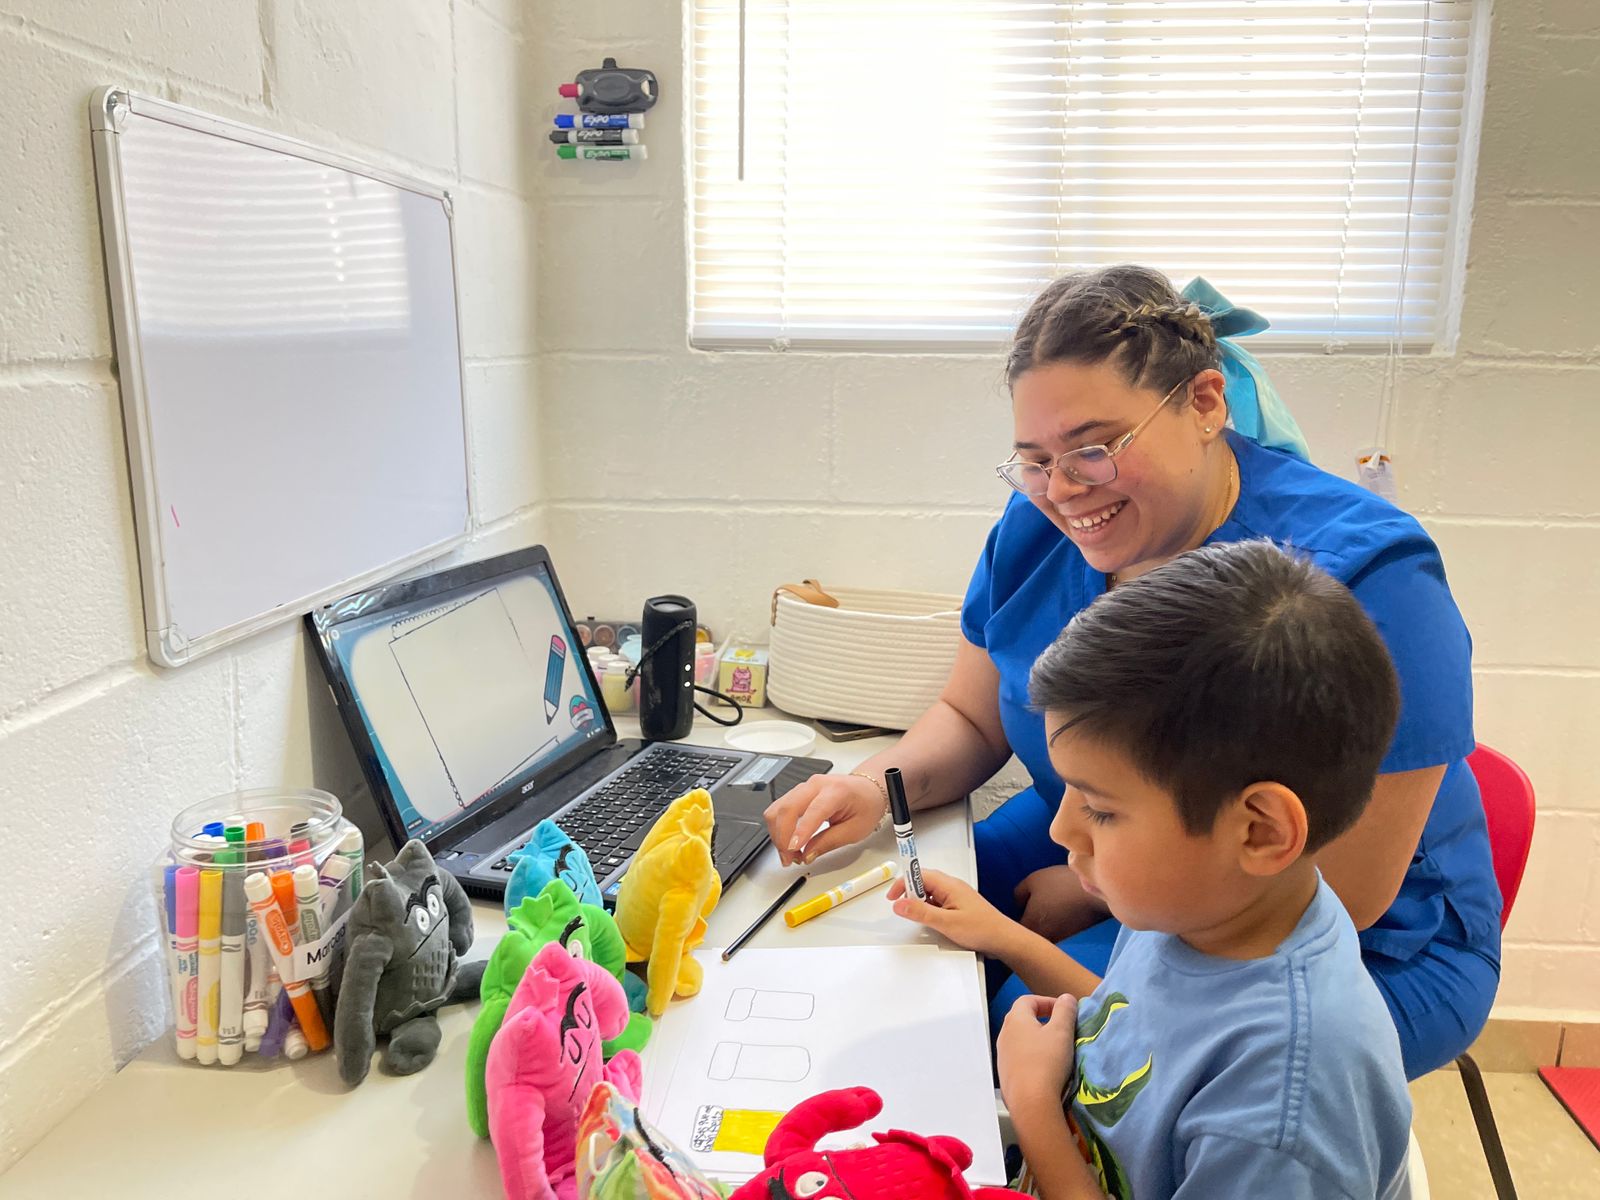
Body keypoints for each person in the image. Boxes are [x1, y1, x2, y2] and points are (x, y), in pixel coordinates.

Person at [763, 265, 1499, 1079]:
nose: (1064, 490)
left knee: (1035, 1025)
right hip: (1108, 832)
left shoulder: (1372, 575)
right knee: (902, 923)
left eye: (1095, 449)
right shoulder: (1041, 527)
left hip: (1341, 934)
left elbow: (1344, 889)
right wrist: (874, 787)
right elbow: (972, 719)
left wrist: (1095, 889)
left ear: (1206, 404)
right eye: (1034, 460)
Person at [890, 540, 1413, 1199]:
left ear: (1260, 831)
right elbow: (1136, 1027)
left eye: (1101, 810)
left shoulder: (1282, 1104)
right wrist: (1003, 935)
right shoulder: (1207, 909)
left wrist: (1034, 1108)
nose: (1060, 830)